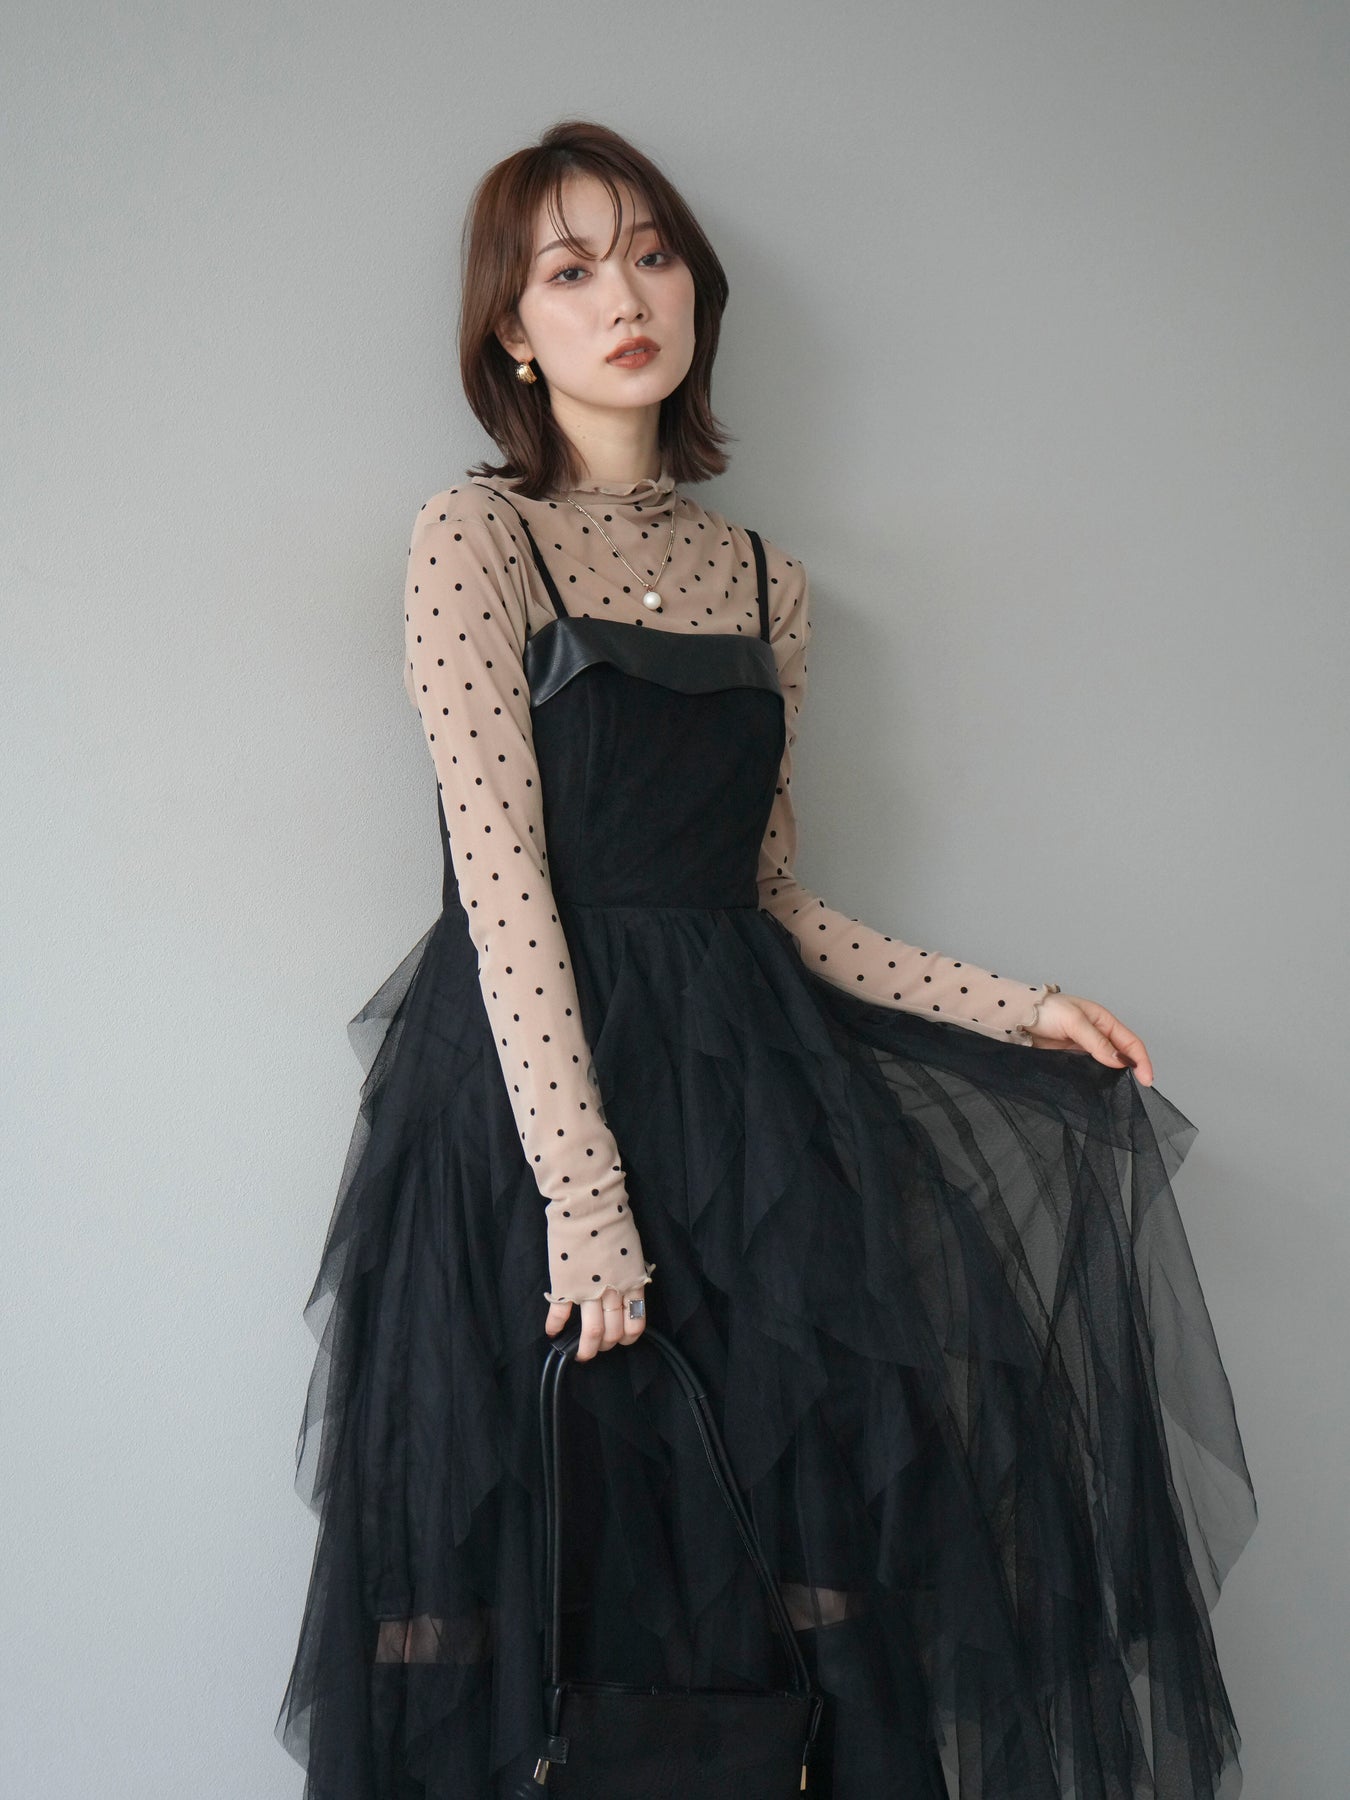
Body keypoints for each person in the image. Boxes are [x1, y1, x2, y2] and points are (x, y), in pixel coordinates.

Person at [275, 120, 1255, 1799]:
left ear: (696, 293)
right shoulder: (473, 538)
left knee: (803, 1588)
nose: (622, 298)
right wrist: (585, 1198)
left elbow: (775, 898)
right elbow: (501, 883)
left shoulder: (761, 580)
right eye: (570, 271)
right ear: (513, 330)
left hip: (748, 1120)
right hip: (526, 1120)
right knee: (506, 1594)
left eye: (650, 256)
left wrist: (1018, 1006)